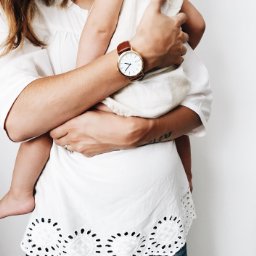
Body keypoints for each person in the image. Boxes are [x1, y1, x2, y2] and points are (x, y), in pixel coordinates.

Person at [0, 0, 212, 255]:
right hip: (73, 216)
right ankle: (186, 177)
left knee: (50, 128)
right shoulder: (27, 13)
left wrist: (138, 130)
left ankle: (18, 193)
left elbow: (98, 30)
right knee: (45, 127)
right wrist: (147, 56)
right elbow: (197, 24)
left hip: (157, 217)